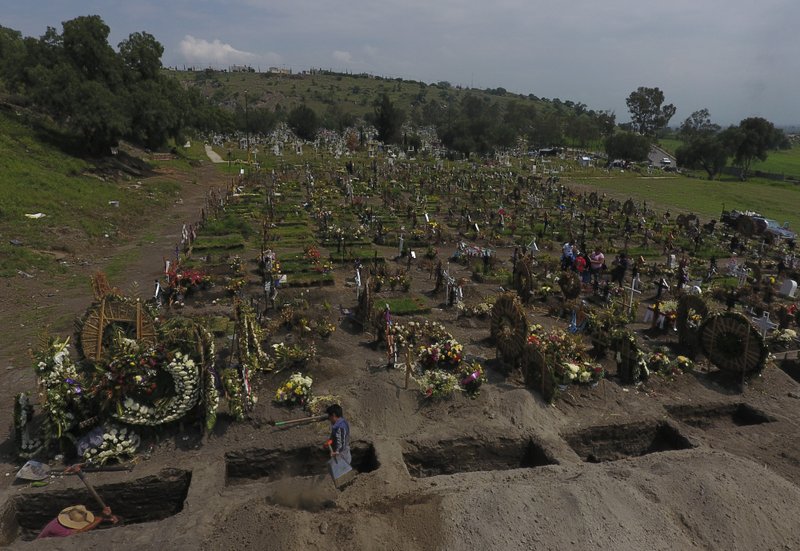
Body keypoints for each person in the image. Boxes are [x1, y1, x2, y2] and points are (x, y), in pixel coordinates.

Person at [37, 504, 118, 539]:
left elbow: (91, 521)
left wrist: (106, 519)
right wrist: (101, 517)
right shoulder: (58, 529)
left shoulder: (70, 515)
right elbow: (81, 531)